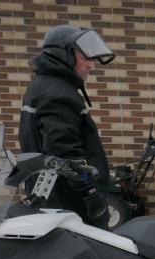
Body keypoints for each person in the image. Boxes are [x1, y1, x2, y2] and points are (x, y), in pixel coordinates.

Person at [18, 24, 115, 229]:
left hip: (51, 198)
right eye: (85, 57)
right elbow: (68, 157)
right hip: (70, 204)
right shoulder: (58, 94)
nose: (91, 65)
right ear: (64, 55)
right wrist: (92, 194)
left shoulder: (43, 85)